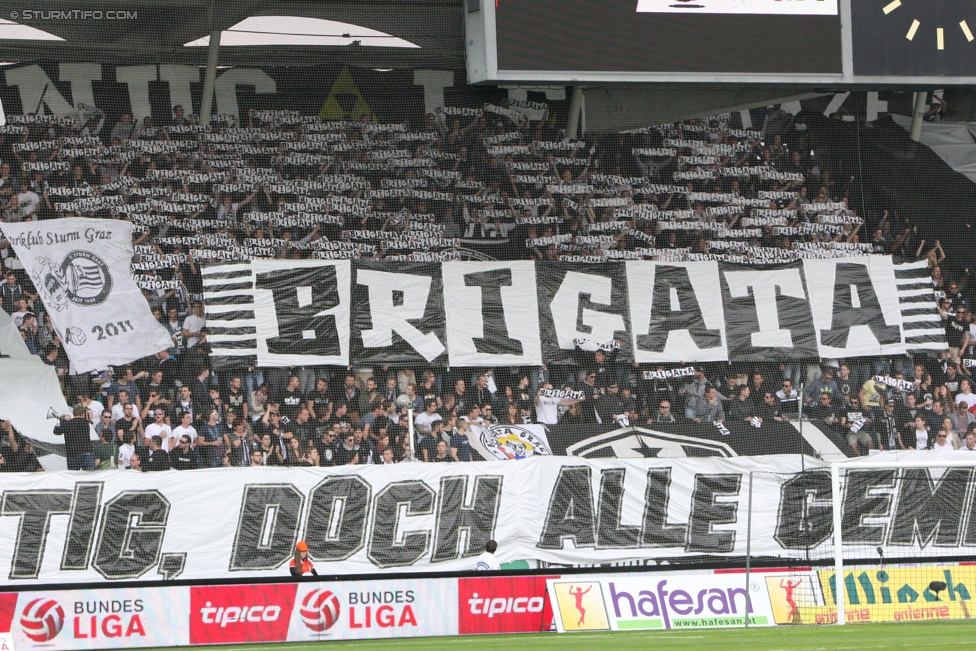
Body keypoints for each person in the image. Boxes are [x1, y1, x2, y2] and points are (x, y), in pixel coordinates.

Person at [54, 404, 96, 471]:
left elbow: (56, 431)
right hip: (87, 453)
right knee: (90, 475)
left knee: (73, 476)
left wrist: (63, 420)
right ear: (83, 414)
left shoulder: (68, 423)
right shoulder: (86, 423)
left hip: (73, 455)